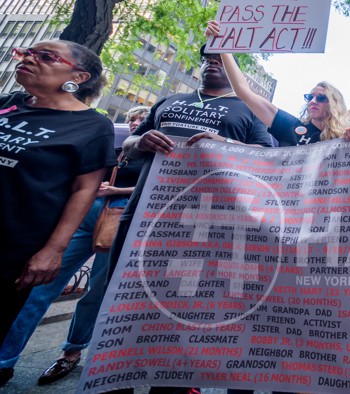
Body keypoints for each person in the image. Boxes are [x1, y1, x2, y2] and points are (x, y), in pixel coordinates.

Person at [103, 46, 273, 394]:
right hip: (145, 211)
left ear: (233, 67)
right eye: (207, 58)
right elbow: (130, 145)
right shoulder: (168, 101)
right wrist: (141, 140)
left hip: (207, 221)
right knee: (123, 292)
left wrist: (223, 142)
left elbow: (267, 155)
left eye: (220, 58)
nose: (212, 62)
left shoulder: (248, 110)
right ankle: (113, 373)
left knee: (182, 303)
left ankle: (174, 383)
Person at [0, 106, 149, 386]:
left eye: (141, 120)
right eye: (133, 120)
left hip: (121, 216)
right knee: (39, 285)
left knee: (96, 292)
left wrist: (117, 190)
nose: (135, 123)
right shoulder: (115, 144)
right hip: (87, 212)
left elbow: (150, 185)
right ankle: (5, 360)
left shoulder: (153, 151)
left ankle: (71, 352)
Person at [0, 41, 115, 386]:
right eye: (27, 53)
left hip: (14, 246)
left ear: (78, 76)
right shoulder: (8, 104)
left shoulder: (93, 126)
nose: (30, 59)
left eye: (46, 56)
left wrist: (53, 251)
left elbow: (85, 190)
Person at [206, 21, 348, 146]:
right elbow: (244, 93)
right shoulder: (290, 126)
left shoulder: (345, 139)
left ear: (335, 104)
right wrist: (222, 47)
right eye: (310, 97)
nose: (313, 101)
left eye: (321, 98)